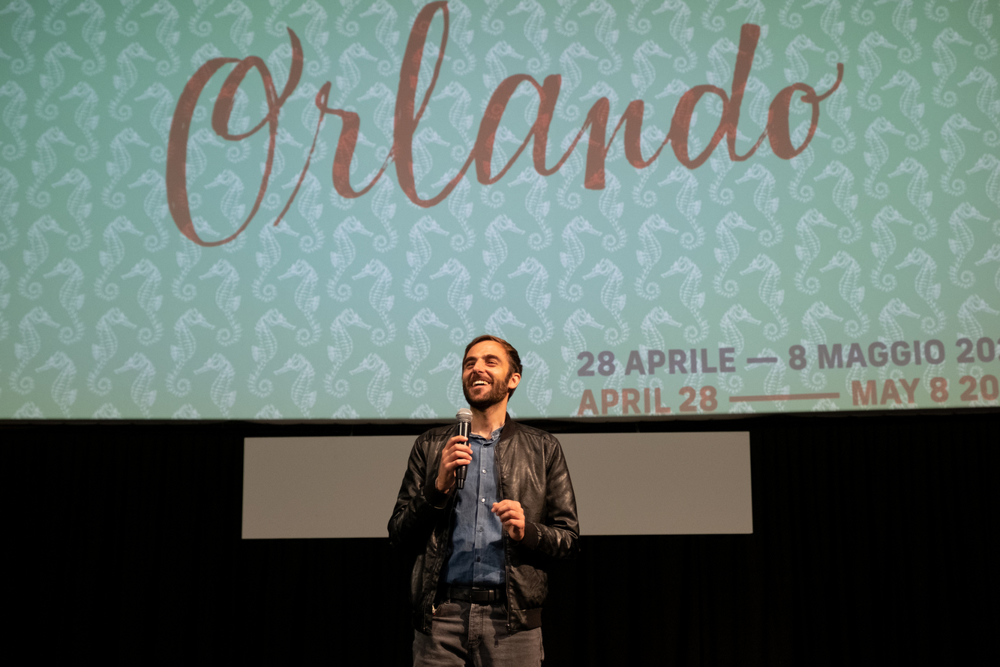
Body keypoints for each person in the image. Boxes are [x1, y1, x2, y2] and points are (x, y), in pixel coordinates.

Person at [388, 335, 579, 666]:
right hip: (441, 620)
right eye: (469, 363)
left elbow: (569, 540)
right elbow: (399, 535)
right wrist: (437, 489)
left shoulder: (543, 448)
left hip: (511, 622)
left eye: (490, 362)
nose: (477, 369)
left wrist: (527, 532)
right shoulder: (431, 446)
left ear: (513, 379)